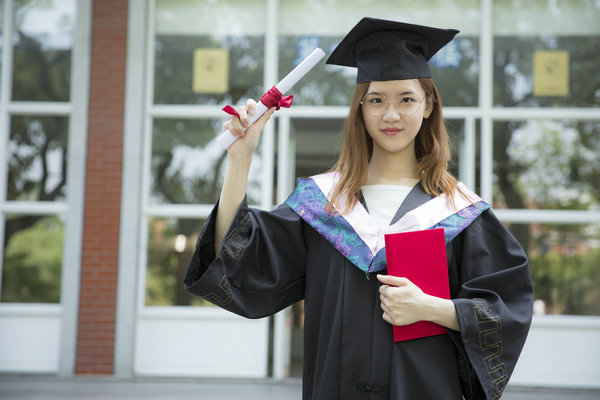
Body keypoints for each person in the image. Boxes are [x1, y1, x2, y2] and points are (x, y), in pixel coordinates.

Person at [184, 17, 533, 400]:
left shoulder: (459, 212)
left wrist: (433, 308)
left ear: (429, 104)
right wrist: (241, 160)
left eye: (406, 99)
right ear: (361, 109)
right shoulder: (323, 206)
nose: (391, 115)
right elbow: (236, 258)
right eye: (377, 100)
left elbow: (504, 312)